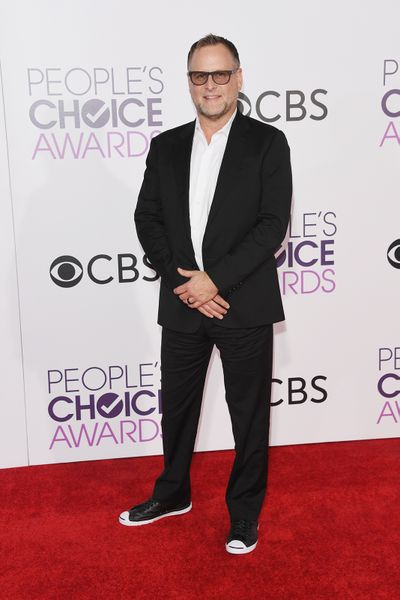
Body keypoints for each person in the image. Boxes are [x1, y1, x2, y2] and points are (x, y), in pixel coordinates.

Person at [119, 34, 292, 555]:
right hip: (181, 302)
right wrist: (184, 285)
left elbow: (271, 226)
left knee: (248, 416)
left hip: (244, 301)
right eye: (200, 75)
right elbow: (147, 218)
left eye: (220, 75)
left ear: (239, 78)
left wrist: (213, 282)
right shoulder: (166, 145)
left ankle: (243, 515)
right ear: (189, 81)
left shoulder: (267, 142)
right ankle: (172, 494)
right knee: (176, 408)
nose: (210, 85)